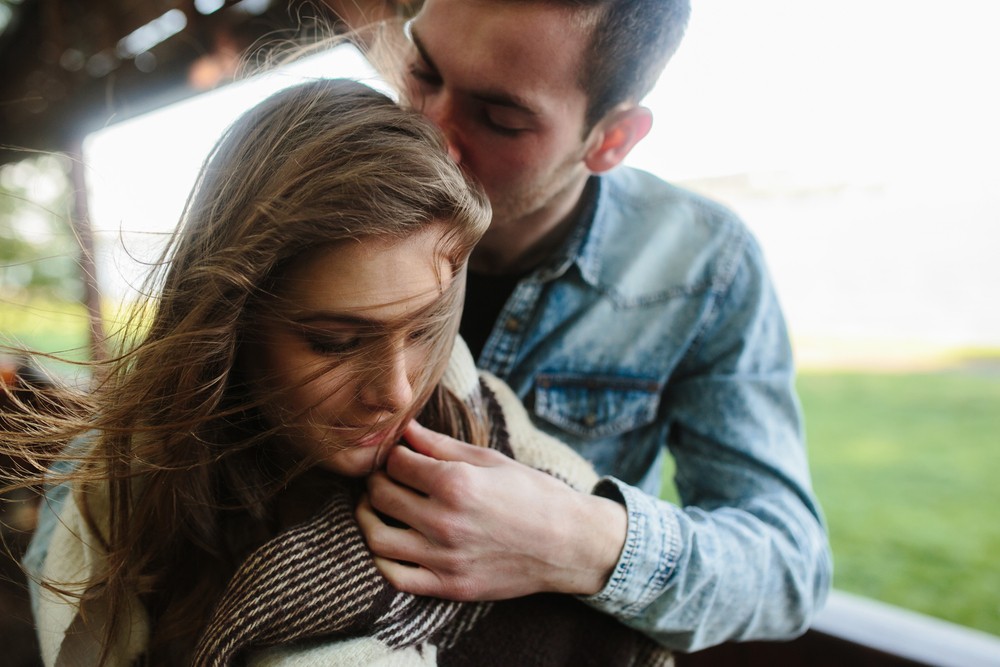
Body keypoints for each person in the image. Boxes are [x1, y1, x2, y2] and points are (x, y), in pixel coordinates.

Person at [6, 78, 674, 665]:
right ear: (228, 330)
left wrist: (578, 544)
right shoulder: (111, 507)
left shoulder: (488, 429)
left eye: (423, 329)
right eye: (332, 341)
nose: (396, 391)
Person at [351, 0, 834, 653]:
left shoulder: (704, 263)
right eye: (423, 73)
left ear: (611, 139)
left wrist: (572, 539)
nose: (429, 134)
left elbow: (786, 569)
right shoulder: (326, 194)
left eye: (499, 119)